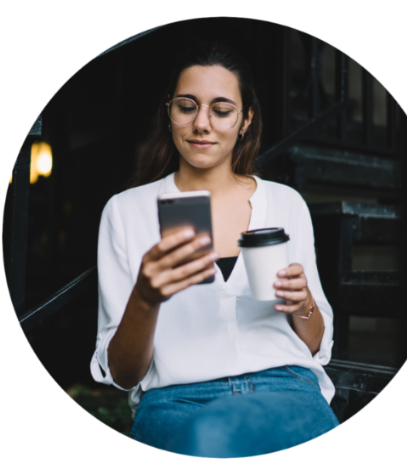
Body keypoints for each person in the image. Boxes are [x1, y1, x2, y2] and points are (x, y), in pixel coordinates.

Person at [90, 40, 340, 458]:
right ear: (169, 113)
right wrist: (146, 299)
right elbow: (124, 373)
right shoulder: (126, 211)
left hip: (283, 385)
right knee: (206, 442)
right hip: (177, 397)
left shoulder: (284, 203)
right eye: (187, 106)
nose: (201, 123)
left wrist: (303, 303)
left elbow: (316, 345)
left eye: (221, 110)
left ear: (245, 121)